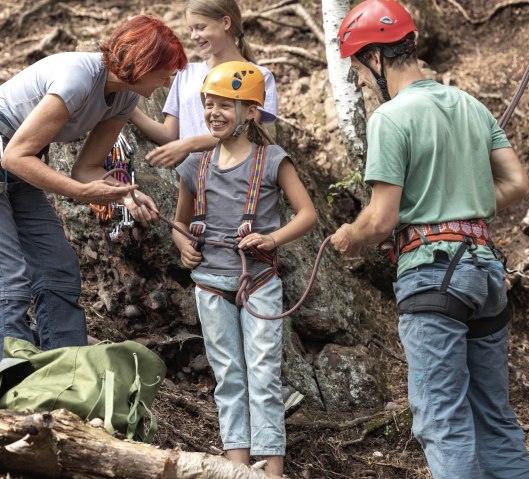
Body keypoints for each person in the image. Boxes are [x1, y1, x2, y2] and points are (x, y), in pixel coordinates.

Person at [331, 1, 529, 478]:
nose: (360, 81)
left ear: (375, 59)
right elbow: (516, 185)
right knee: (495, 417)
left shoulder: (391, 117)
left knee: (442, 420)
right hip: (485, 272)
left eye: (358, 69)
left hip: (433, 277)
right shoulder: (469, 104)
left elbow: (381, 220)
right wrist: (459, 209)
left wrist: (350, 236)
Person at [0, 15, 187, 358]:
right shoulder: (78, 77)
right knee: (9, 276)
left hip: (22, 165)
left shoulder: (125, 99)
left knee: (58, 268)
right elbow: (14, 157)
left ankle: (66, 366)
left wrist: (126, 192)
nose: (168, 78)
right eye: (165, 69)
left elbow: (86, 168)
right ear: (142, 62)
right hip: (12, 155)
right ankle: (8, 374)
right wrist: (80, 192)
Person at [172, 61, 317, 476]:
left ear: (252, 111)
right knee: (228, 375)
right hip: (210, 284)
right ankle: (238, 467)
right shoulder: (196, 165)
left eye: (225, 105)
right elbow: (180, 225)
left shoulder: (272, 160)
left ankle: (271, 468)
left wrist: (272, 239)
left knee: (263, 373)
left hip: (259, 282)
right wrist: (183, 245)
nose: (213, 112)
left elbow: (306, 214)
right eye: (208, 104)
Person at [130, 0, 278, 169]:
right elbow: (169, 135)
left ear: (226, 22)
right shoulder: (186, 73)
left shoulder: (258, 76)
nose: (193, 36)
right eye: (191, 29)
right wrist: (127, 109)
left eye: (200, 27)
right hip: (192, 181)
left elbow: (245, 132)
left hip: (235, 180)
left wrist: (188, 144)